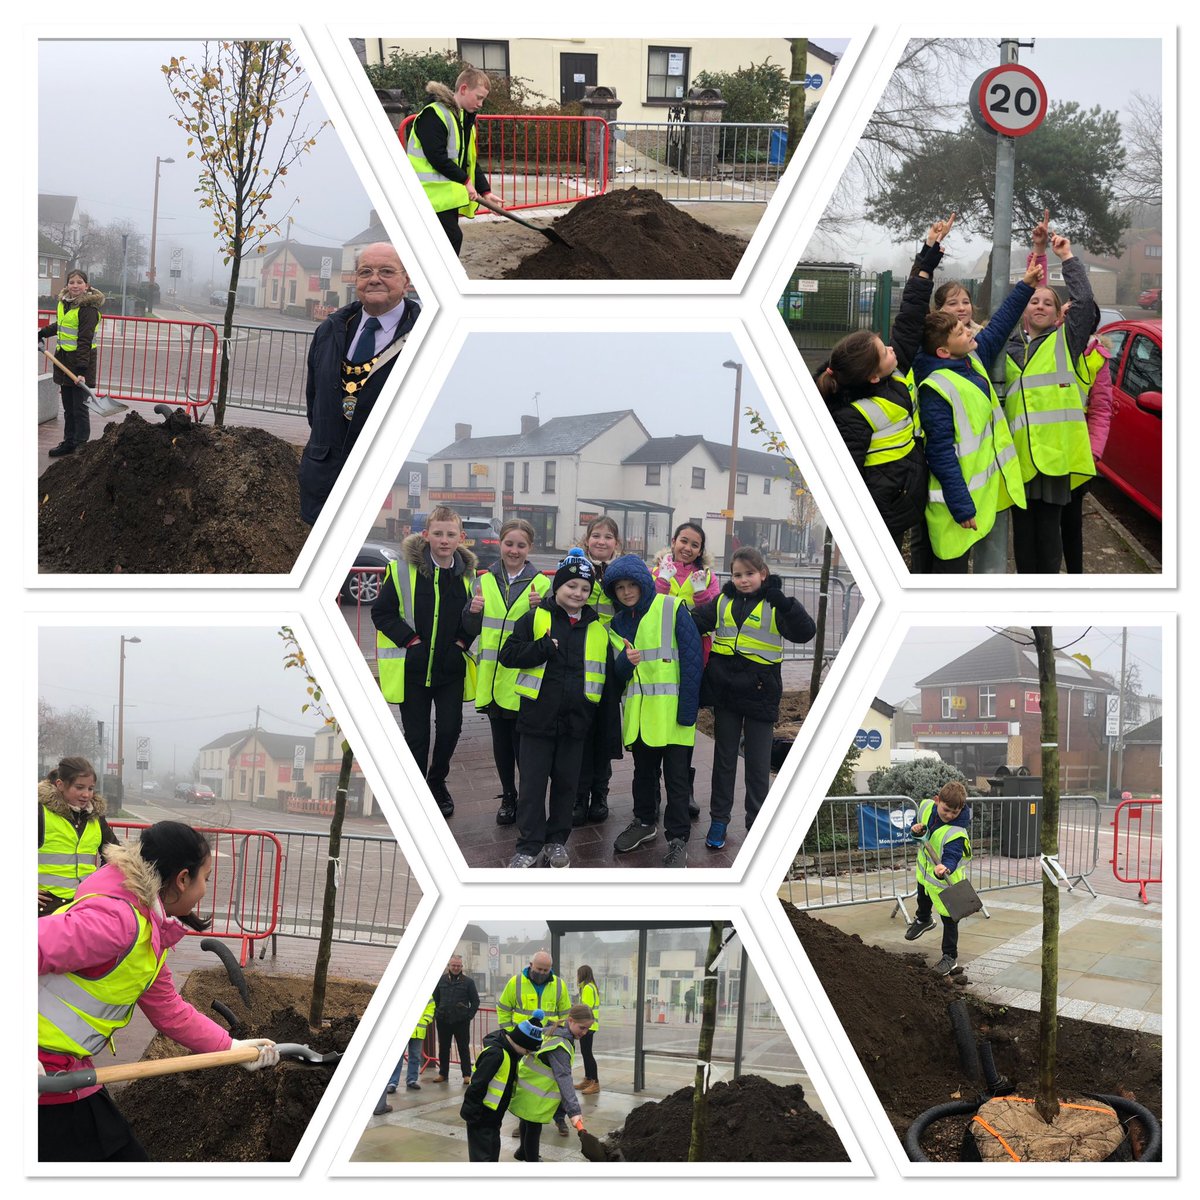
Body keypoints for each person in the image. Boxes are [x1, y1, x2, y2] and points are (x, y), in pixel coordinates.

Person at [38, 822, 278, 1161]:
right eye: (205, 878)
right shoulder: (117, 921)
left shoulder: (147, 930)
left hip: (66, 1076)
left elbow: (170, 1010)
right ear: (182, 879)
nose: (206, 889)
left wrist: (233, 1047)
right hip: (42, 1081)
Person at [815, 218, 956, 572]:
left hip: (901, 501)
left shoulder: (890, 373)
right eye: (884, 350)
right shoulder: (851, 417)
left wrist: (928, 257)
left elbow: (908, 318)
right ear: (873, 374)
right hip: (883, 513)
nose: (893, 349)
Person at [912, 257, 1044, 572]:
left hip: (971, 497)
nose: (969, 328)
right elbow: (941, 451)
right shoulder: (936, 384)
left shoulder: (970, 356)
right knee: (943, 571)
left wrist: (1026, 284)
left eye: (966, 307)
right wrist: (959, 504)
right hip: (951, 504)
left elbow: (999, 323)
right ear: (943, 348)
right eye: (960, 330)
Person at [691, 547, 816, 849]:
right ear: (731, 576)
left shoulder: (775, 604)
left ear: (763, 574)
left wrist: (787, 605)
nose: (743, 580)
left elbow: (805, 632)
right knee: (724, 762)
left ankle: (756, 824)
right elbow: (693, 622)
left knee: (758, 766)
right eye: (737, 574)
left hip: (760, 695)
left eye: (750, 573)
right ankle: (719, 820)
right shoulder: (722, 602)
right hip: (726, 695)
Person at [497, 550, 614, 868]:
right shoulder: (536, 618)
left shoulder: (597, 630)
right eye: (571, 586)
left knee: (567, 786)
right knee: (532, 787)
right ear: (557, 587)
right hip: (537, 719)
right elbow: (507, 654)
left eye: (584, 589)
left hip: (576, 723)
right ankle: (528, 845)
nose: (577, 593)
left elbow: (606, 678)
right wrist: (541, 649)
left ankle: (556, 842)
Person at [299, 243, 420, 524]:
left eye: (386, 271)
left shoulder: (426, 333)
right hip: (322, 485)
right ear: (356, 280)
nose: (374, 278)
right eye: (365, 271)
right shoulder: (329, 331)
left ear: (407, 281)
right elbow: (314, 405)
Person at [1003, 228, 1100, 573]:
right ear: (1024, 310)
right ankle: (1032, 611)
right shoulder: (1008, 347)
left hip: (1054, 462)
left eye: (1048, 302)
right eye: (1034, 301)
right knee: (1023, 545)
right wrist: (1037, 249)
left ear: (1059, 314)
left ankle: (1047, 611)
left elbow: (1085, 304)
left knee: (1049, 543)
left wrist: (1066, 257)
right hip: (1020, 461)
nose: (1040, 305)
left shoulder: (1065, 342)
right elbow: (1024, 290)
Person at [372, 506, 477, 818]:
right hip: (413, 670)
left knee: (449, 730)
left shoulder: (469, 576)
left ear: (461, 538)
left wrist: (461, 642)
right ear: (425, 535)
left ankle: (437, 782)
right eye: (438, 533)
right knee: (416, 737)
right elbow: (382, 613)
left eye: (450, 534)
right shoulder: (403, 570)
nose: (444, 540)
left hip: (451, 670)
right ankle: (417, 791)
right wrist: (411, 641)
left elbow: (476, 620)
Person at [604, 553, 703, 868]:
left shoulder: (671, 608)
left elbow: (691, 661)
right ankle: (645, 823)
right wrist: (623, 663)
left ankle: (677, 839)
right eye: (620, 587)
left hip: (674, 716)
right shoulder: (617, 623)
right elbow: (618, 676)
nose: (627, 592)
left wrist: (688, 712)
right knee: (643, 775)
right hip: (641, 717)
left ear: (644, 584)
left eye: (632, 584)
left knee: (676, 780)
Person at [458, 518, 550, 826]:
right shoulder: (483, 581)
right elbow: (471, 628)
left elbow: (548, 633)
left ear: (530, 548)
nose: (514, 550)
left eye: (521, 545)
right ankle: (508, 795)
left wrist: (544, 607)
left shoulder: (542, 585)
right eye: (509, 543)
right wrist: (471, 612)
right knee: (500, 743)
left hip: (521, 678)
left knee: (521, 743)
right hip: (493, 677)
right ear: (500, 544)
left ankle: (527, 798)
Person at [652, 520, 720, 820]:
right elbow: (647, 606)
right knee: (657, 721)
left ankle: (685, 789)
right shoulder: (657, 571)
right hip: (661, 659)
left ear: (701, 550)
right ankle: (652, 789)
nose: (688, 548)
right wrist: (663, 582)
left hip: (694, 660)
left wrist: (702, 592)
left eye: (695, 544)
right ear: (674, 541)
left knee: (685, 723)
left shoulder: (708, 577)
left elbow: (714, 615)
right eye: (684, 541)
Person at [406, 68, 496, 257]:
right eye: (478, 97)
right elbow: (437, 157)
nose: (480, 104)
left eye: (483, 100)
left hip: (444, 196)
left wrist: (485, 191)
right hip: (427, 194)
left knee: (444, 241)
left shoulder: (463, 120)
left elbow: (469, 162)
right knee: (451, 238)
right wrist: (465, 181)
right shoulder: (433, 115)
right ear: (463, 89)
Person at [572, 516, 625, 827]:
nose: (601, 542)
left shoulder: (622, 572)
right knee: (580, 729)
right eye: (596, 536)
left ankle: (599, 793)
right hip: (579, 656)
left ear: (615, 543)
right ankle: (578, 795)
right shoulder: (575, 564)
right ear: (587, 539)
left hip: (609, 659)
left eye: (608, 537)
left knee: (605, 729)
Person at [903, 781, 973, 975]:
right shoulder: (926, 807)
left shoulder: (956, 832)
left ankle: (950, 957)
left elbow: (953, 854)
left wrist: (946, 867)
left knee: (949, 919)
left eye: (955, 812)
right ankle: (924, 920)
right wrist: (914, 829)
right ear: (937, 801)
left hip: (946, 880)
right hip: (926, 873)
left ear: (961, 809)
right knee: (922, 898)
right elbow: (917, 826)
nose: (950, 815)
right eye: (946, 810)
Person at [508, 1006, 593, 1160]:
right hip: (535, 1091)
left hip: (527, 1084)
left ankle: (521, 1152)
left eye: (588, 1028)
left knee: (527, 1122)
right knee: (533, 1128)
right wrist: (574, 1111)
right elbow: (564, 1077)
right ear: (571, 1020)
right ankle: (532, 1160)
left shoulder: (554, 1030)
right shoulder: (560, 1045)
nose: (585, 1032)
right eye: (582, 1027)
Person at [38, 757, 119, 916]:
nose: (86, 794)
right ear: (60, 785)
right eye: (79, 787)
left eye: (90, 788)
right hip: (46, 910)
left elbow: (116, 855)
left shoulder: (96, 817)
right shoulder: (39, 812)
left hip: (83, 907)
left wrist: (102, 888)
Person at [459, 1011, 543, 1162]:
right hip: (481, 1116)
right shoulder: (496, 1054)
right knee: (482, 1157)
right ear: (520, 1042)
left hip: (493, 1117)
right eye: (527, 1050)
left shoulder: (511, 1053)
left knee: (491, 1152)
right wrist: (472, 1113)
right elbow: (477, 1085)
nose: (527, 1054)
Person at [38, 270, 105, 457]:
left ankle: (81, 445)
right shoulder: (65, 304)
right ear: (67, 285)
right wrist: (42, 333)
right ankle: (69, 442)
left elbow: (85, 340)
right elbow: (61, 325)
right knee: (68, 407)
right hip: (64, 361)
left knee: (80, 408)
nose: (75, 285)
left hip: (81, 363)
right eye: (72, 282)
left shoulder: (89, 310)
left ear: (87, 286)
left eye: (79, 282)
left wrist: (82, 370)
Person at [377, 995, 435, 1112]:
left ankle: (411, 1080)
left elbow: (431, 1007)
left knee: (415, 1057)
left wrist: (425, 1020)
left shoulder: (426, 993)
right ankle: (392, 1083)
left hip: (418, 1030)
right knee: (397, 1058)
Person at [431, 954, 480, 1084]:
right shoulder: (440, 980)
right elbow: (435, 998)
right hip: (443, 1020)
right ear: (449, 966)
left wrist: (469, 1016)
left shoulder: (468, 982)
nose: (456, 968)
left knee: (463, 1048)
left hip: (461, 1022)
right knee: (443, 1048)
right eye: (454, 965)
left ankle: (466, 1075)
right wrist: (438, 1012)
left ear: (462, 967)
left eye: (458, 966)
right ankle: (443, 1073)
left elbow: (475, 1001)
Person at [496, 952, 572, 1029]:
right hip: (521, 1037)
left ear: (551, 968)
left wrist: (561, 1034)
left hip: (549, 1037)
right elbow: (503, 1010)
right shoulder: (515, 982)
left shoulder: (559, 984)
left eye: (546, 970)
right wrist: (508, 1032)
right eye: (539, 969)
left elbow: (566, 1014)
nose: (542, 972)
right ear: (531, 965)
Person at [574, 965, 601, 1095]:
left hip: (587, 1026)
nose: (577, 977)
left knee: (587, 1053)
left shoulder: (587, 988)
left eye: (578, 974)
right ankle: (588, 1079)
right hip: (590, 1026)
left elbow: (586, 1008)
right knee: (586, 1053)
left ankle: (595, 1082)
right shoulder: (590, 986)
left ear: (582, 974)